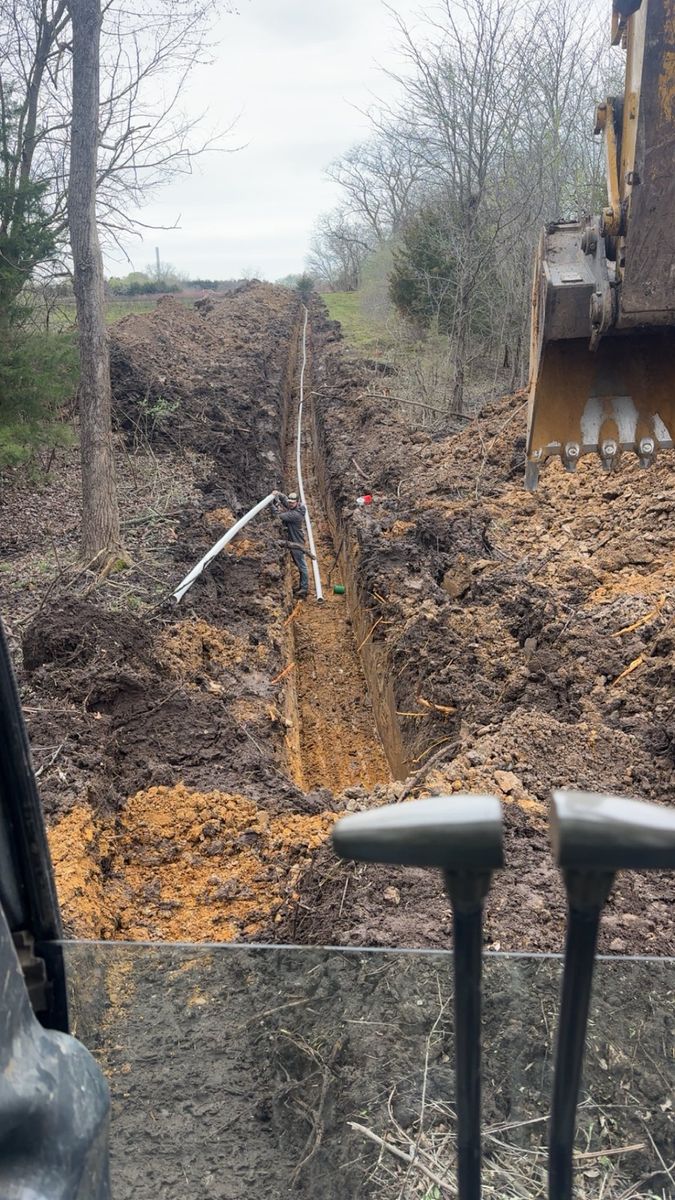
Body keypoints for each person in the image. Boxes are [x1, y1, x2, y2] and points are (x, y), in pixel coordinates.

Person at [272, 490, 309, 599]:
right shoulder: (295, 508)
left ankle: (304, 589)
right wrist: (278, 494)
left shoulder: (295, 514)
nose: (290, 504)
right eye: (289, 502)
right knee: (300, 565)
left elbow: (279, 516)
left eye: (292, 503)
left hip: (297, 542)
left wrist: (271, 505)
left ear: (297, 502)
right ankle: (303, 586)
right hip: (293, 541)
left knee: (301, 566)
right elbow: (284, 501)